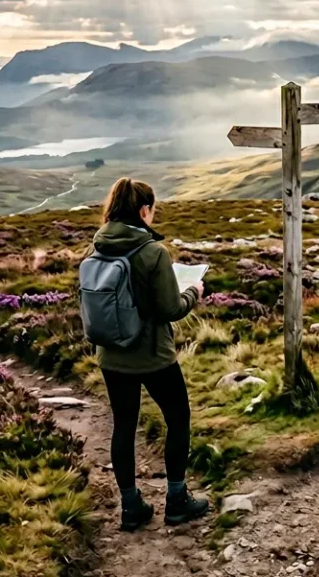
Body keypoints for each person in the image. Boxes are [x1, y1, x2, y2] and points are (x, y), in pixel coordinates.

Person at [89, 177, 209, 531]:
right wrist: (193, 291)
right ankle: (176, 500)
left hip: (111, 355)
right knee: (178, 418)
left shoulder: (98, 247)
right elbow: (171, 309)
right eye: (151, 210)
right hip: (153, 356)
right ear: (144, 211)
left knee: (123, 425)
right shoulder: (153, 252)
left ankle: (131, 507)